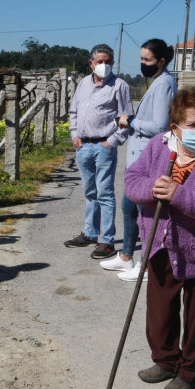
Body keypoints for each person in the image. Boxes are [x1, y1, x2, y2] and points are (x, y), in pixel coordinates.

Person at [124, 86, 195, 389]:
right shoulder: (157, 149)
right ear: (175, 127)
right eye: (193, 124)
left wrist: (179, 194)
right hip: (159, 246)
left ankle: (190, 371)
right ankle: (165, 360)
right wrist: (153, 188)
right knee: (160, 310)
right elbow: (132, 183)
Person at [100, 38, 178, 279]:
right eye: (142, 59)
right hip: (138, 159)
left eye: (147, 60)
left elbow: (159, 126)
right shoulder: (156, 81)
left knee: (143, 213)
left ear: (161, 61)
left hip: (148, 159)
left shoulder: (164, 83)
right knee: (128, 207)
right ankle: (126, 257)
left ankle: (146, 263)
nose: (143, 63)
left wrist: (130, 121)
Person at [64, 44, 133, 259]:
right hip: (83, 145)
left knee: (105, 193)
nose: (104, 65)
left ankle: (107, 240)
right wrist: (74, 135)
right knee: (90, 192)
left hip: (104, 146)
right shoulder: (83, 83)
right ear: (91, 63)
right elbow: (74, 111)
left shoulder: (119, 86)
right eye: (100, 62)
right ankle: (89, 233)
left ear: (112, 63)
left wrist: (112, 141)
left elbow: (127, 117)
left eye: (108, 61)